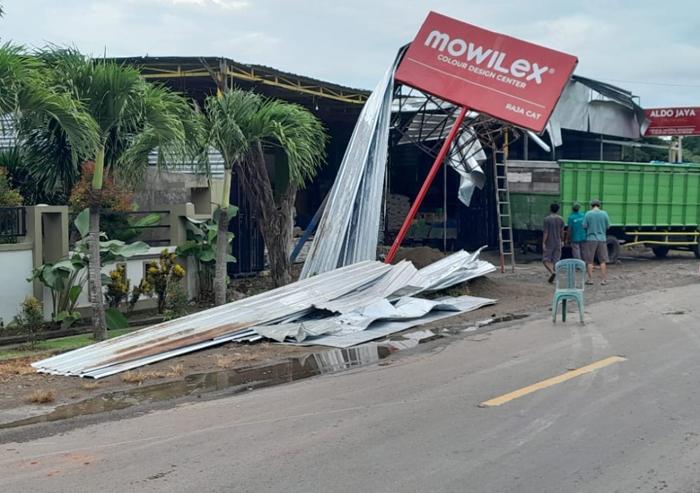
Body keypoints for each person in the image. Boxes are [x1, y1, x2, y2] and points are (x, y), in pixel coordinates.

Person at [582, 199, 611, 285]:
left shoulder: (588, 214)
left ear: (591, 205)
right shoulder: (604, 213)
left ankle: (590, 280)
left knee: (589, 261)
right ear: (599, 205)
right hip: (602, 239)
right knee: (602, 261)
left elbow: (584, 225)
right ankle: (603, 280)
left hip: (591, 238)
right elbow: (608, 226)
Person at [542, 203, 565, 283]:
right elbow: (562, 232)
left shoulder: (547, 219)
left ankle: (552, 272)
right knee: (556, 260)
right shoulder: (561, 219)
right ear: (558, 210)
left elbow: (546, 232)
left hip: (549, 242)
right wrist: (562, 240)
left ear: (550, 209)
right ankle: (555, 275)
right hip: (558, 241)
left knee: (545, 260)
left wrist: (543, 242)